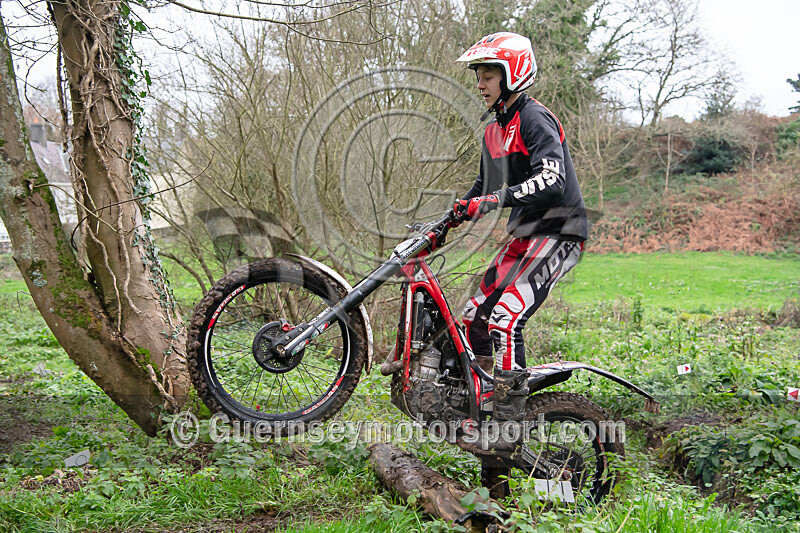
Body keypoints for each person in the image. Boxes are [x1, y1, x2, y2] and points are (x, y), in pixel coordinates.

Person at [452, 32, 588, 451]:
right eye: (478, 75)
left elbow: (551, 179)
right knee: (473, 316)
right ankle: (481, 404)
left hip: (560, 232)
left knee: (505, 318)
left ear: (512, 74)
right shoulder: (495, 130)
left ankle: (507, 428)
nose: (480, 84)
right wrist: (445, 221)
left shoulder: (534, 118)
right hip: (525, 234)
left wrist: (496, 199)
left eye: (488, 75)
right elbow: (483, 187)